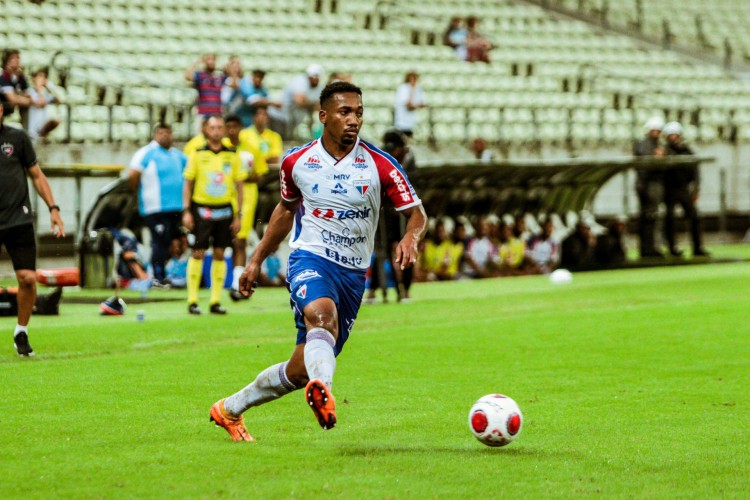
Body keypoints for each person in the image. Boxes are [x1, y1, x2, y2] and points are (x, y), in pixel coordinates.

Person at [208, 81, 427, 441]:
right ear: (323, 116)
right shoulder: (297, 162)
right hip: (311, 257)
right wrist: (255, 261)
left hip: (354, 274)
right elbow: (284, 210)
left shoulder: (379, 165)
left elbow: (417, 214)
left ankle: (229, 409)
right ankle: (323, 390)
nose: (353, 119)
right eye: (344, 112)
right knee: (322, 318)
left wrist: (410, 236)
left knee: (297, 370)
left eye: (358, 112)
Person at [0, 101, 65, 356]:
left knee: (27, 278)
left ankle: (21, 331)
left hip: (19, 219)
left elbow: (37, 175)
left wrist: (54, 208)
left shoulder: (17, 138)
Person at [182, 115, 246, 315]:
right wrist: (186, 211)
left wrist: (238, 214)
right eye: (213, 127)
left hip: (225, 210)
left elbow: (240, 185)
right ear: (206, 130)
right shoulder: (198, 153)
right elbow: (188, 183)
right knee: (198, 252)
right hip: (201, 208)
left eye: (220, 127)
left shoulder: (232, 154)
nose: (217, 131)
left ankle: (215, 301)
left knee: (220, 253)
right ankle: (192, 300)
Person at [229, 106, 281, 300]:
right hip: (222, 197)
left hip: (247, 198)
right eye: (229, 127)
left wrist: (247, 176)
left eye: (235, 127)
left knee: (240, 241)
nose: (232, 131)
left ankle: (236, 284)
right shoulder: (222, 149)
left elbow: (260, 173)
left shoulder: (250, 149)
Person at [128, 123, 187, 284]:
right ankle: (157, 276)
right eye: (161, 133)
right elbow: (133, 174)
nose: (164, 136)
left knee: (172, 241)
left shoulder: (178, 155)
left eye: (167, 133)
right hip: (155, 207)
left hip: (176, 206)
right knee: (159, 241)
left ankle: (166, 273)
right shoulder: (146, 153)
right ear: (155, 135)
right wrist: (138, 193)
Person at [367, 129, 415, 303]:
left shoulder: (408, 159)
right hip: (384, 212)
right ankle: (375, 289)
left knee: (406, 249)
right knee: (381, 251)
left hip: (403, 210)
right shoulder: (379, 159)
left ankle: (405, 289)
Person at [662, 121, 708, 257]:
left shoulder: (686, 150)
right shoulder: (664, 151)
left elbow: (695, 170)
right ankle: (672, 248)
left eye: (675, 135)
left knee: (694, 217)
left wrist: (695, 189)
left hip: (683, 188)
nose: (673, 137)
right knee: (669, 218)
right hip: (669, 189)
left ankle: (697, 247)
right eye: (671, 135)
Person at [633, 116, 666, 258]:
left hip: (649, 184)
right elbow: (645, 163)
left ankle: (650, 247)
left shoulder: (657, 144)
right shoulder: (645, 144)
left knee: (651, 218)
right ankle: (648, 249)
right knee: (649, 218)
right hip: (648, 184)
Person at [268, 64, 325, 139]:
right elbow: (299, 101)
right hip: (279, 117)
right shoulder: (300, 81)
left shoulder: (317, 87)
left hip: (291, 120)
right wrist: (314, 105)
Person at [184, 53, 225, 120]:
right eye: (208, 59)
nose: (211, 62)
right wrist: (196, 63)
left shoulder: (220, 77)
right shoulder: (200, 75)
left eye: (213, 59)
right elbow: (187, 76)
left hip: (217, 113)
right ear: (204, 62)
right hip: (202, 113)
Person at [27, 68, 63, 142]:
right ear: (34, 78)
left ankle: (42, 135)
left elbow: (59, 100)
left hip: (41, 128)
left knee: (56, 120)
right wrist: (40, 89)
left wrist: (50, 86)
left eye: (44, 77)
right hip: (31, 129)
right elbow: (41, 103)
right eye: (40, 76)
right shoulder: (29, 91)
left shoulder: (44, 93)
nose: (42, 79)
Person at [1, 49, 32, 127]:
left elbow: (28, 95)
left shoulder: (20, 77)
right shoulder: (4, 77)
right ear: (7, 61)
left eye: (18, 58)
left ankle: (28, 132)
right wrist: (27, 100)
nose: (16, 60)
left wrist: (24, 100)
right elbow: (12, 99)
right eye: (13, 58)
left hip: (12, 109)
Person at [393, 72, 427, 138]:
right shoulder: (403, 88)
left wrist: (415, 105)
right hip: (401, 121)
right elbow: (408, 105)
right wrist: (416, 105)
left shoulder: (418, 88)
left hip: (411, 122)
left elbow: (423, 104)